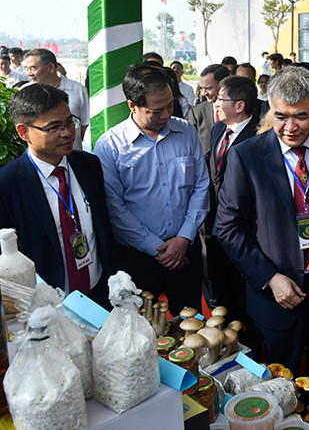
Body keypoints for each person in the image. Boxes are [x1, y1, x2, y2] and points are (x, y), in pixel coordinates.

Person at [217, 66, 309, 428]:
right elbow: (228, 227)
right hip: (278, 294)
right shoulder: (246, 156)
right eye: (280, 116)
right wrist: (270, 277)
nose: (290, 127)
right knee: (277, 387)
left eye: (300, 116)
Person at [94, 64, 210, 317]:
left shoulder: (186, 132)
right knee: (140, 327)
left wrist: (183, 239)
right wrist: (157, 248)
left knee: (191, 325)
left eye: (170, 105)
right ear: (132, 106)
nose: (167, 114)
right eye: (156, 111)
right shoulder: (110, 146)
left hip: (185, 250)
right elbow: (115, 207)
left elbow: (201, 186)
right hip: (138, 257)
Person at [0, 84, 115, 306]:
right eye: (54, 127)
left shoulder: (88, 165)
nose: (67, 132)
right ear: (24, 132)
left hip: (98, 292)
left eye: (69, 122)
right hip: (46, 305)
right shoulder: (8, 185)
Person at [204, 75, 260, 352]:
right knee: (222, 287)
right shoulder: (218, 129)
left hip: (244, 227)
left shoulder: (258, 136)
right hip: (215, 224)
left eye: (220, 99)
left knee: (244, 292)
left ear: (239, 105)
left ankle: (252, 345)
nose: (214, 103)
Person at [23, 49, 90, 150]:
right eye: (26, 69)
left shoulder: (78, 89)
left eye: (33, 68)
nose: (29, 73)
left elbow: (85, 125)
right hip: (40, 156)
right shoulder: (24, 92)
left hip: (72, 154)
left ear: (50, 67)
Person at [188, 64, 230, 154]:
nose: (204, 93)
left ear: (223, 85)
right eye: (202, 89)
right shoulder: (197, 112)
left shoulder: (239, 110)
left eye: (208, 88)